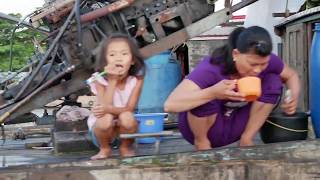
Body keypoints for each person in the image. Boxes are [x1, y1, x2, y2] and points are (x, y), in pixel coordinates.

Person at [164, 26, 300, 150]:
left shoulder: (266, 61)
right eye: (252, 64)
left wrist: (293, 96)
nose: (258, 70)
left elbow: (291, 75)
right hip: (200, 130)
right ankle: (202, 143)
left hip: (234, 126)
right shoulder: (212, 67)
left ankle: (247, 140)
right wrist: (212, 93)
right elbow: (170, 105)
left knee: (274, 81)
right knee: (205, 93)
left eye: (263, 64)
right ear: (236, 54)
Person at [87, 33, 145, 160]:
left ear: (133, 60)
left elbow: (129, 109)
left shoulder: (136, 81)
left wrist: (109, 110)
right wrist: (112, 81)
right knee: (106, 118)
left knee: (127, 116)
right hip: (102, 132)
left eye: (124, 54)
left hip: (124, 131)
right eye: (112, 55)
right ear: (105, 61)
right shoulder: (99, 80)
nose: (118, 59)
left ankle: (125, 147)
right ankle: (104, 149)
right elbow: (103, 109)